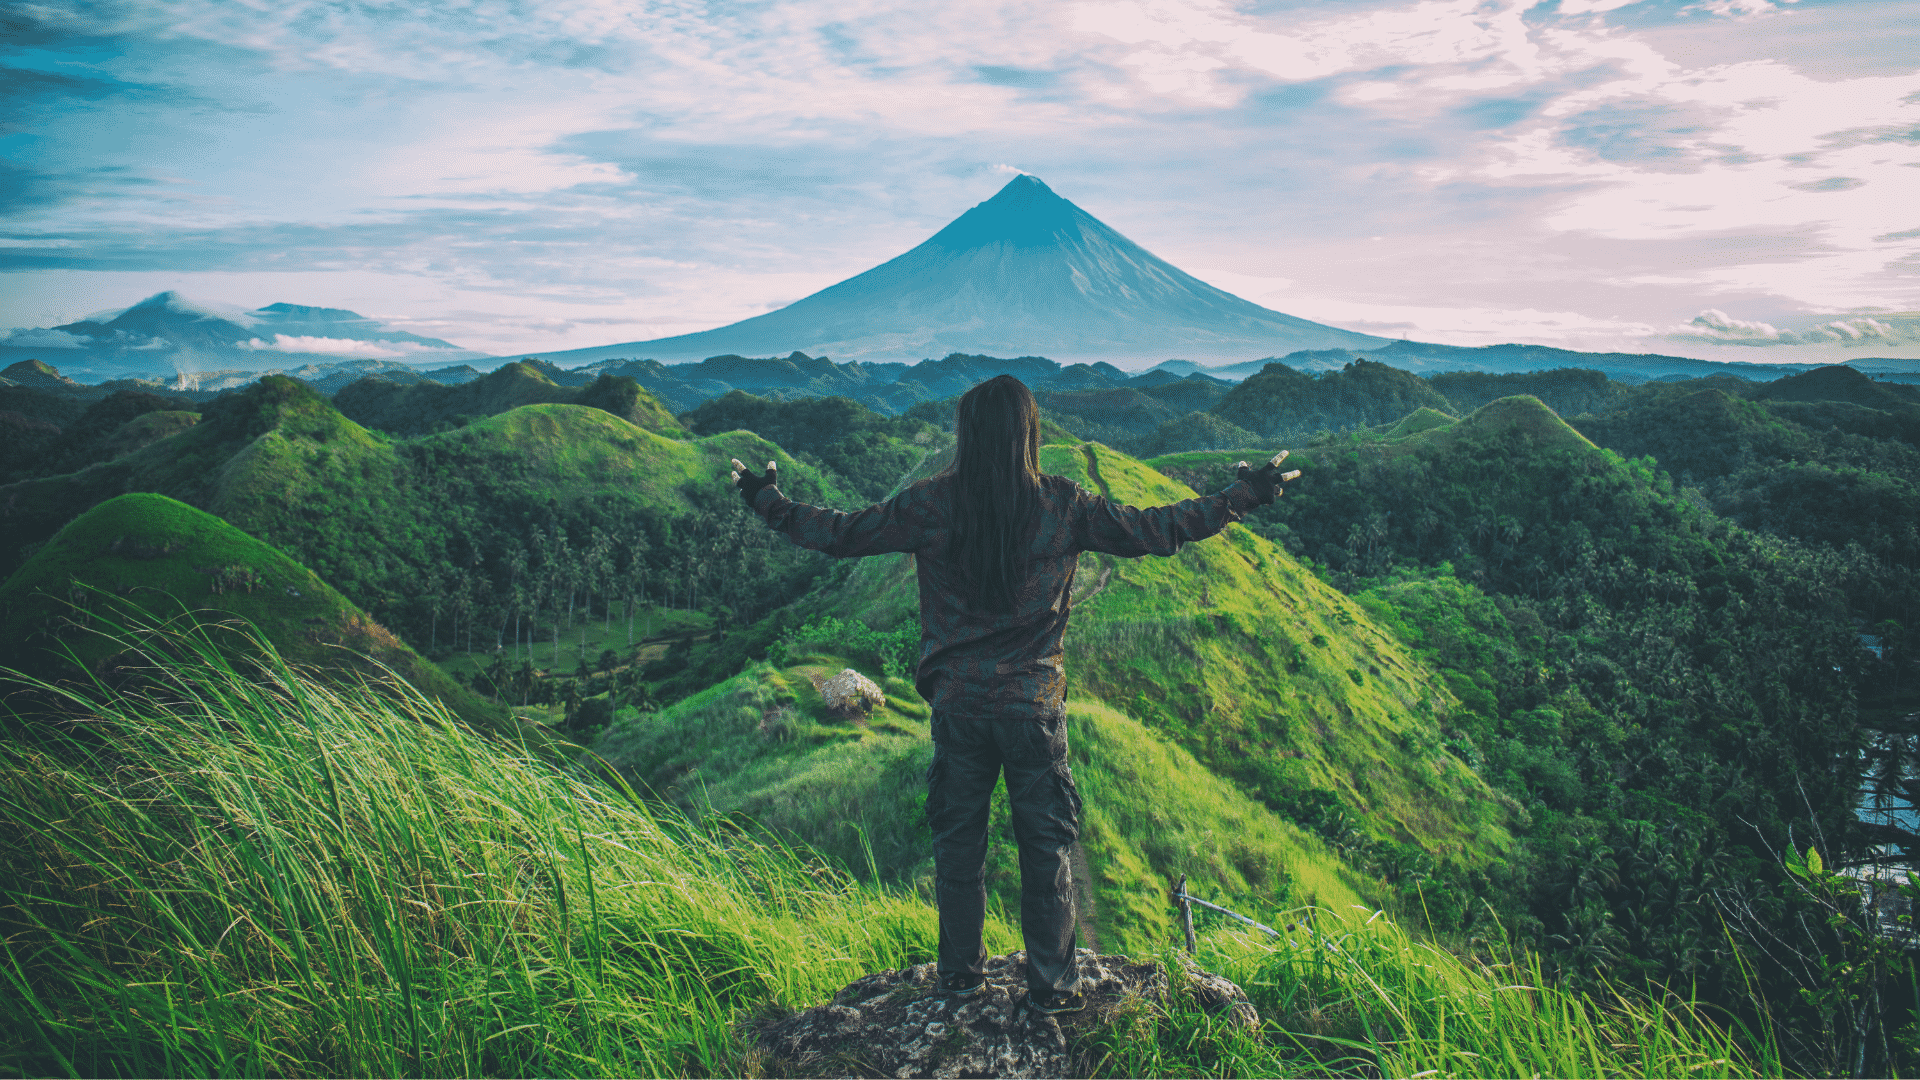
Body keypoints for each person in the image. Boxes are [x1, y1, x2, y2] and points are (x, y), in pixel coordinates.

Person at [727, 374, 1298, 1015]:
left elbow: (841, 533)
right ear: (1029, 434)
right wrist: (1241, 497)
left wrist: (766, 501)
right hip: (1032, 709)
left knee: (959, 847)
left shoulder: (931, 504)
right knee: (1047, 847)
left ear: (967, 435)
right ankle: (1054, 992)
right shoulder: (1064, 503)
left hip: (960, 708)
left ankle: (960, 983)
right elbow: (1156, 529)